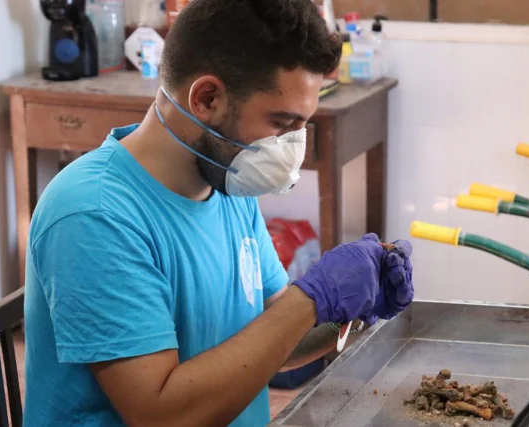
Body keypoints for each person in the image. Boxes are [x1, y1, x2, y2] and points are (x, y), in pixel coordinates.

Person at [22, 0, 414, 425]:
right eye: (282, 124)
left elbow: (266, 335)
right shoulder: (94, 215)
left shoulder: (227, 181)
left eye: (303, 125)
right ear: (207, 97)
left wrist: (351, 308)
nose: (292, 148)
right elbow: (162, 416)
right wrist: (310, 299)